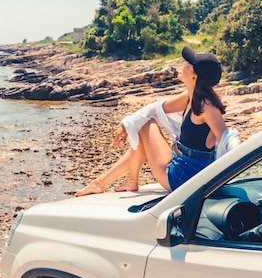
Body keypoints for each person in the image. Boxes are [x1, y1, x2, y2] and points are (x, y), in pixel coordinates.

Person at [75, 46, 239, 196]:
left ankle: (129, 182)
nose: (183, 64)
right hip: (182, 163)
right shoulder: (191, 97)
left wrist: (239, 145)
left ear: (195, 76)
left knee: (145, 124)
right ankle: (101, 183)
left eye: (187, 64)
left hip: (183, 177)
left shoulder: (206, 106)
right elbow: (156, 108)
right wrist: (126, 124)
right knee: (142, 124)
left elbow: (226, 137)